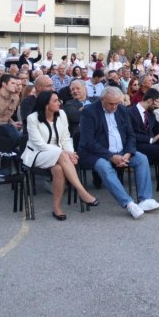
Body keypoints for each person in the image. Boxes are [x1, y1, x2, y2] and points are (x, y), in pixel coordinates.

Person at [78, 86, 159, 219]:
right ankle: (128, 203)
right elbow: (88, 141)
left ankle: (145, 200)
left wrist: (129, 152)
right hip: (96, 154)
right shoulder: (89, 112)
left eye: (117, 103)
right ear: (102, 100)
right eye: (111, 104)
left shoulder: (122, 110)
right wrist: (111, 156)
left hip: (122, 152)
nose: (114, 107)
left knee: (141, 158)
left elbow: (131, 134)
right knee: (104, 166)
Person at [22, 91, 99, 220]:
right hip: (37, 154)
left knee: (58, 170)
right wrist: (65, 153)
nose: (59, 103)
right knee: (62, 156)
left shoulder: (62, 114)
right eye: (56, 101)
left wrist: (71, 152)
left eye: (59, 100)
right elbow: (39, 144)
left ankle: (56, 208)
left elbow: (66, 138)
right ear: (46, 105)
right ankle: (82, 192)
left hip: (59, 154)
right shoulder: (32, 118)